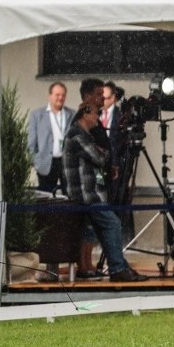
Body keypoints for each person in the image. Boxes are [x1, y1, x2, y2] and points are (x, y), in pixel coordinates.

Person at [63, 80, 148, 283]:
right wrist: (104, 154)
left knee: (98, 230)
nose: (98, 117)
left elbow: (100, 156)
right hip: (87, 194)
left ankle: (120, 266)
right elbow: (99, 157)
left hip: (92, 191)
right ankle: (118, 268)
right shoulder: (78, 134)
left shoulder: (82, 134)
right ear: (86, 113)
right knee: (112, 224)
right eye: (95, 114)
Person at [28, 82, 75, 194]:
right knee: (46, 195)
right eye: (57, 94)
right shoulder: (37, 115)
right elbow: (31, 142)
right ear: (49, 96)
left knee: (69, 195)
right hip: (46, 162)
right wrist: (35, 161)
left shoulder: (72, 114)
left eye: (63, 95)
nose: (61, 98)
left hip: (66, 161)